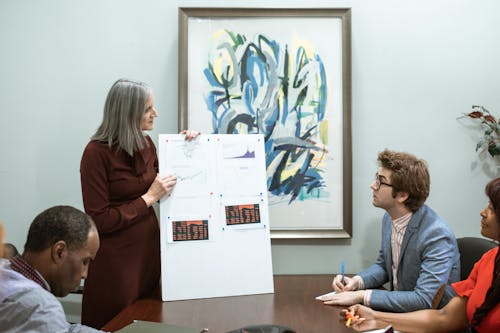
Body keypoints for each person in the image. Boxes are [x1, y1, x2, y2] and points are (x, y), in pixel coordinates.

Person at [80, 78, 199, 328]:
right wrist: (148, 198)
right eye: (148, 109)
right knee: (117, 324)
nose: (155, 113)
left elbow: (168, 184)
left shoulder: (147, 145)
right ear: (128, 112)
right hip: (116, 265)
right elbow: (99, 220)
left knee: (150, 320)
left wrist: (184, 146)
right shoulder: (95, 154)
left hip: (149, 256)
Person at [342, 177, 500, 333]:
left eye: (492, 209)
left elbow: (425, 300)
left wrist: (364, 297)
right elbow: (444, 318)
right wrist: (375, 318)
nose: (483, 213)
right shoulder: (489, 259)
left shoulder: (435, 232)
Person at [319, 149, 460, 312]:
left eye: (381, 181)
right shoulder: (389, 218)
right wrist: (356, 282)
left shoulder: (436, 235)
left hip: (429, 322)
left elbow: (424, 299)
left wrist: (362, 296)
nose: (372, 185)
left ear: (402, 195)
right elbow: (385, 266)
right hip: (400, 314)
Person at [0, 205, 104, 333]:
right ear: (59, 252)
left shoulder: (4, 268)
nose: (85, 274)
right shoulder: (40, 308)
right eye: (85, 262)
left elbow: (63, 328)